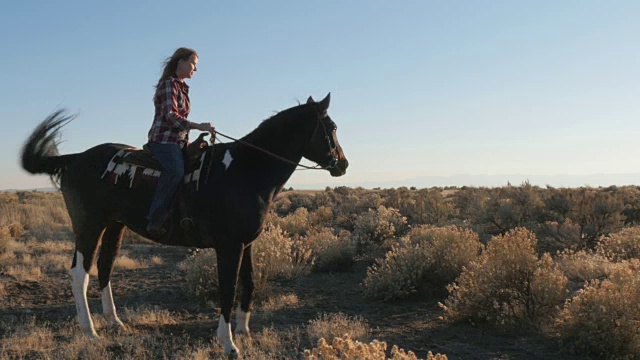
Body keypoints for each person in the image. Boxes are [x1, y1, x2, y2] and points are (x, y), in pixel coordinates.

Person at [145, 47, 215, 236]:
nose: (195, 69)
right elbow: (171, 116)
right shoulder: (169, 84)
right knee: (175, 171)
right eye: (193, 63)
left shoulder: (182, 88)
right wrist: (198, 126)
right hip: (163, 140)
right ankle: (155, 218)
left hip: (178, 141)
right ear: (180, 62)